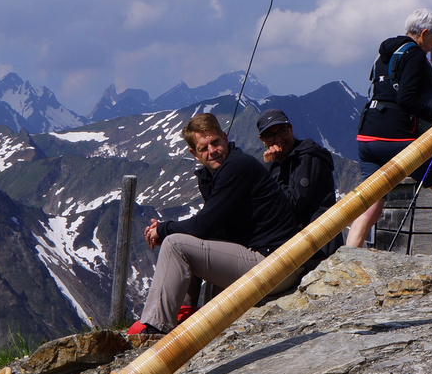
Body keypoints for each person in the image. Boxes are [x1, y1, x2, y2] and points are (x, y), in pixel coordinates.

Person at [131, 114, 303, 335]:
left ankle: (156, 328)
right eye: (203, 148)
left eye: (215, 142)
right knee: (190, 242)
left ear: (225, 137)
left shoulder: (236, 167)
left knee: (175, 245)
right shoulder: (222, 170)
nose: (212, 151)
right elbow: (211, 229)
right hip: (275, 261)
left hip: (274, 264)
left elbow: (202, 226)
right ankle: (186, 316)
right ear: (194, 154)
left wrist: (163, 229)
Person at [350, 9, 432, 256]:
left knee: (374, 198)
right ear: (424, 33)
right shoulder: (414, 55)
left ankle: (350, 253)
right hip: (396, 136)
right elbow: (407, 99)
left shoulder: (386, 53)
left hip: (367, 134)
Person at [257, 108, 336, 236]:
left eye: (282, 131)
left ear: (291, 129)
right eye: (270, 135)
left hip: (317, 242)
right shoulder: (282, 160)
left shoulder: (307, 158)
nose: (278, 140)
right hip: (298, 239)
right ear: (262, 140)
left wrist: (272, 167)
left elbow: (290, 205)